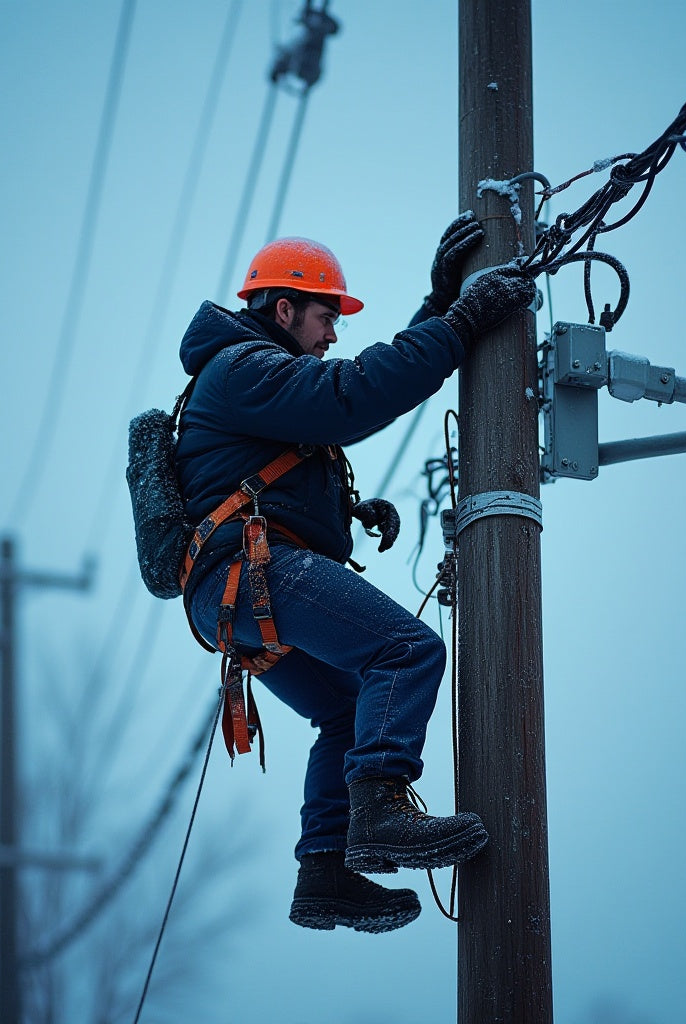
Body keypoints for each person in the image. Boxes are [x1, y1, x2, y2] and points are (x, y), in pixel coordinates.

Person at [174, 214, 537, 933]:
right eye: (324, 317)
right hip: (246, 573)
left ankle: (326, 873)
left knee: (345, 710)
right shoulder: (241, 368)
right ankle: (379, 809)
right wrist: (460, 324)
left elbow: (318, 421)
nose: (332, 334)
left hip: (234, 586)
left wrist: (438, 307)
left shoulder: (254, 380)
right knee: (405, 651)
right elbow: (353, 395)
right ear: (283, 310)